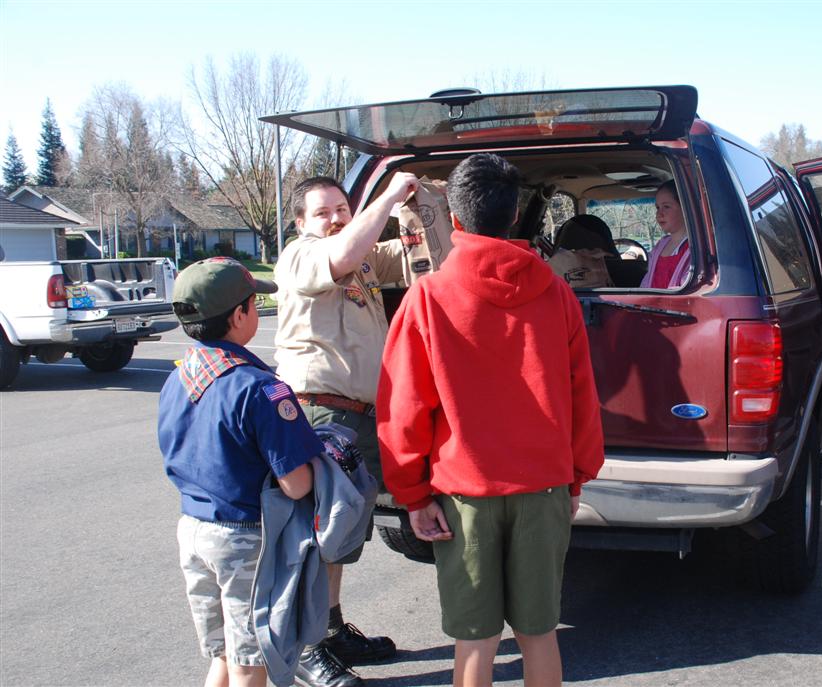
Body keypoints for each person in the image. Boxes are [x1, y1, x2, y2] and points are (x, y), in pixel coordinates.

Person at [376, 153, 606, 687]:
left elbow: (402, 406)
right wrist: (576, 477)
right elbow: (582, 397)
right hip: (544, 487)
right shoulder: (558, 294)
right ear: (514, 215)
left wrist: (412, 495)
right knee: (539, 634)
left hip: (464, 496)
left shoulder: (427, 297)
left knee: (476, 641)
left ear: (455, 217)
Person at [274, 172, 418, 686]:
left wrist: (425, 208)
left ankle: (330, 630)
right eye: (322, 212)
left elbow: (417, 255)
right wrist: (389, 196)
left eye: (342, 209)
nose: (335, 218)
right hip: (320, 416)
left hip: (355, 415)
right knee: (314, 538)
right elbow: (341, 254)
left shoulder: (363, 259)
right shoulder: (301, 255)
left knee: (339, 536)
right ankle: (306, 647)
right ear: (300, 222)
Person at [157, 258, 321, 687]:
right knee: (251, 659)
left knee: (224, 655)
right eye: (253, 302)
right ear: (238, 315)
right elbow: (297, 483)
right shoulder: (261, 387)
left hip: (193, 527)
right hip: (243, 539)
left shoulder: (177, 378)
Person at [640, 180, 691, 288]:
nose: (659, 214)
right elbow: (647, 281)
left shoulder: (694, 248)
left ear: (685, 208)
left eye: (666, 207)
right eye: (657, 207)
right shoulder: (660, 245)